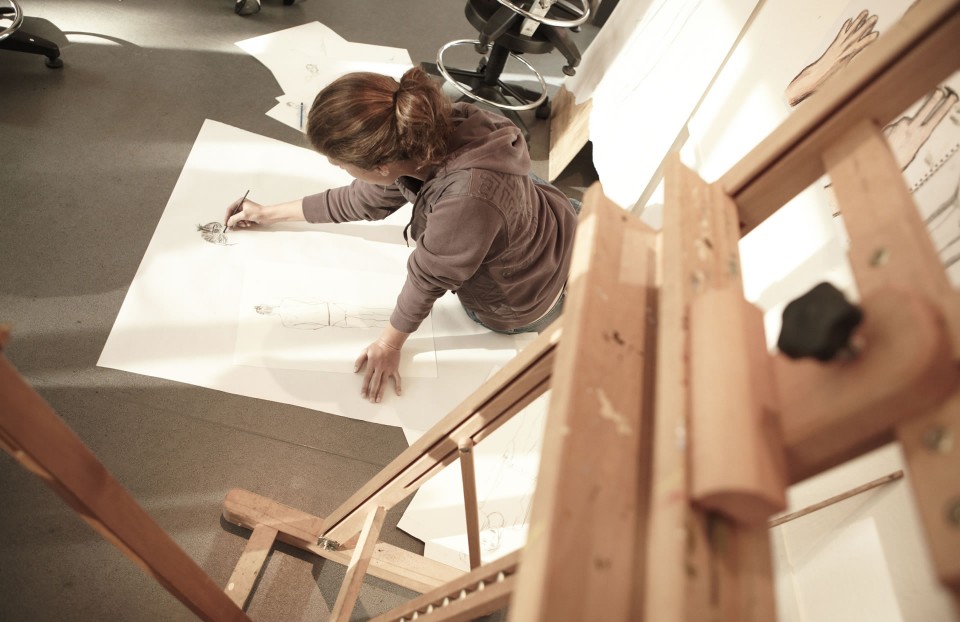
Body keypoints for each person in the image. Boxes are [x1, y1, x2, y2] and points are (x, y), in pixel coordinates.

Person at [225, 67, 579, 403]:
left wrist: (389, 344)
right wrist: (267, 213)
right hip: (556, 216)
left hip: (524, 299)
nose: (341, 171)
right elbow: (361, 200)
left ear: (381, 167)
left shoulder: (464, 201)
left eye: (341, 165)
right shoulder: (430, 127)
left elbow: (427, 280)